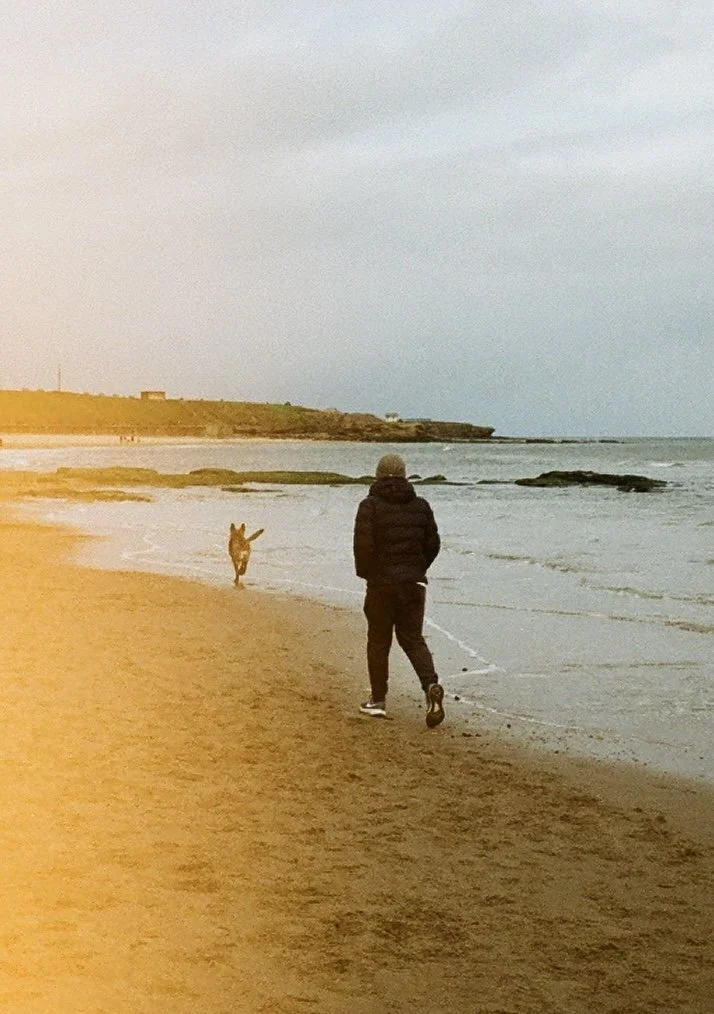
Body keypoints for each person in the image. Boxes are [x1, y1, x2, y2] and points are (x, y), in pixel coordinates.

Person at [353, 453, 445, 727]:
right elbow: (434, 544)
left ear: (378, 476)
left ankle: (378, 700)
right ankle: (431, 686)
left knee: (379, 640)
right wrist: (418, 569)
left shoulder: (369, 505)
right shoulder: (421, 506)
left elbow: (362, 546)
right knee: (413, 638)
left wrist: (367, 573)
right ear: (405, 476)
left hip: (381, 585)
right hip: (414, 584)